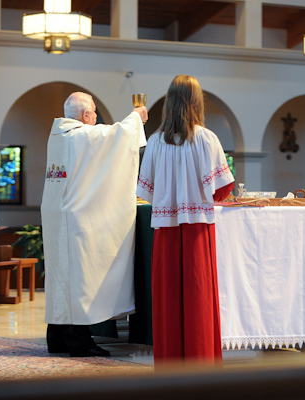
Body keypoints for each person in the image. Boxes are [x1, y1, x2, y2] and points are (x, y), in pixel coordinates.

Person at [136, 75, 234, 368]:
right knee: (198, 294)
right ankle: (200, 362)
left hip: (166, 230)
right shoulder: (206, 138)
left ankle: (169, 365)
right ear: (196, 102)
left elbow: (146, 191)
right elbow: (222, 189)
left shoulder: (154, 141)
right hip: (197, 228)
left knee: (168, 296)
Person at [41, 92, 148, 357]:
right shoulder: (79, 136)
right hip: (74, 220)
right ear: (85, 115)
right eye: (95, 112)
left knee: (61, 281)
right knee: (78, 282)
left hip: (56, 215)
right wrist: (137, 118)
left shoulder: (58, 135)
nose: (97, 116)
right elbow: (115, 137)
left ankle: (57, 339)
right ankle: (79, 342)